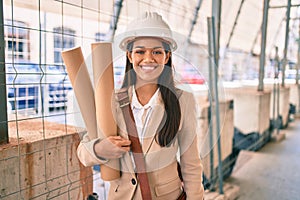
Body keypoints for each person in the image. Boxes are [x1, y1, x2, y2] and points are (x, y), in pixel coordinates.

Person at [77, 12, 204, 199]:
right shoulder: (111, 100)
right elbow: (82, 151)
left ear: (167, 57)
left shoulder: (183, 100)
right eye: (140, 51)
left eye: (157, 52)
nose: (148, 59)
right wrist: (99, 149)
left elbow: (190, 162)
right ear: (129, 56)